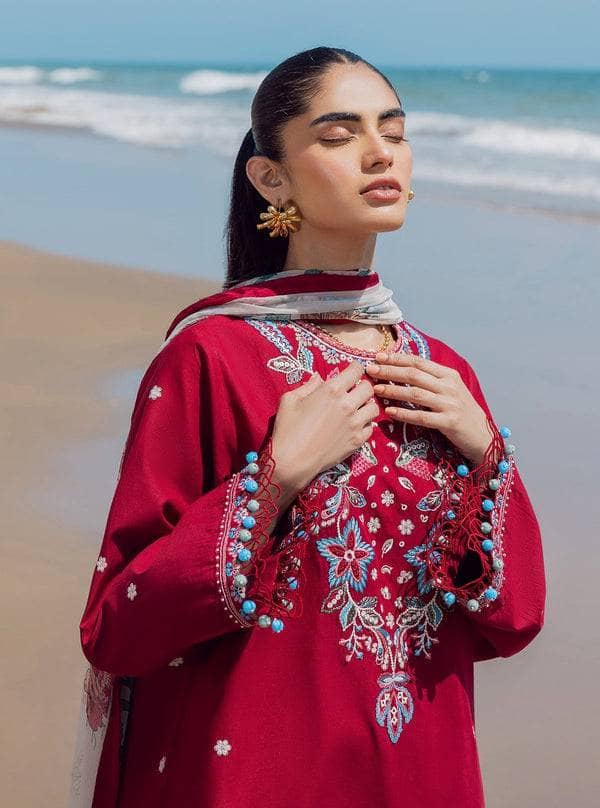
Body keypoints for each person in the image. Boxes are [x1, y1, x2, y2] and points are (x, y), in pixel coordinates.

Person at [69, 47, 546, 808]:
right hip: (257, 776)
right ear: (271, 178)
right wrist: (273, 481)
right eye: (338, 134)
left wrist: (487, 453)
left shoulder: (443, 372)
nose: (379, 150)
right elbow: (116, 630)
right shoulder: (211, 355)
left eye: (394, 129)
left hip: (420, 773)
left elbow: (514, 618)